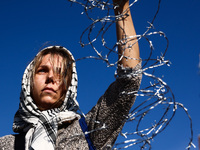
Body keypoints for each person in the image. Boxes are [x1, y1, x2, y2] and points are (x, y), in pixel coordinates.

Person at [0, 0, 142, 149]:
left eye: (60, 73)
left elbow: (129, 80)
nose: (51, 78)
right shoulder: (7, 144)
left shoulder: (89, 130)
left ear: (68, 86)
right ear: (29, 81)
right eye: (42, 70)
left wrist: (121, 7)